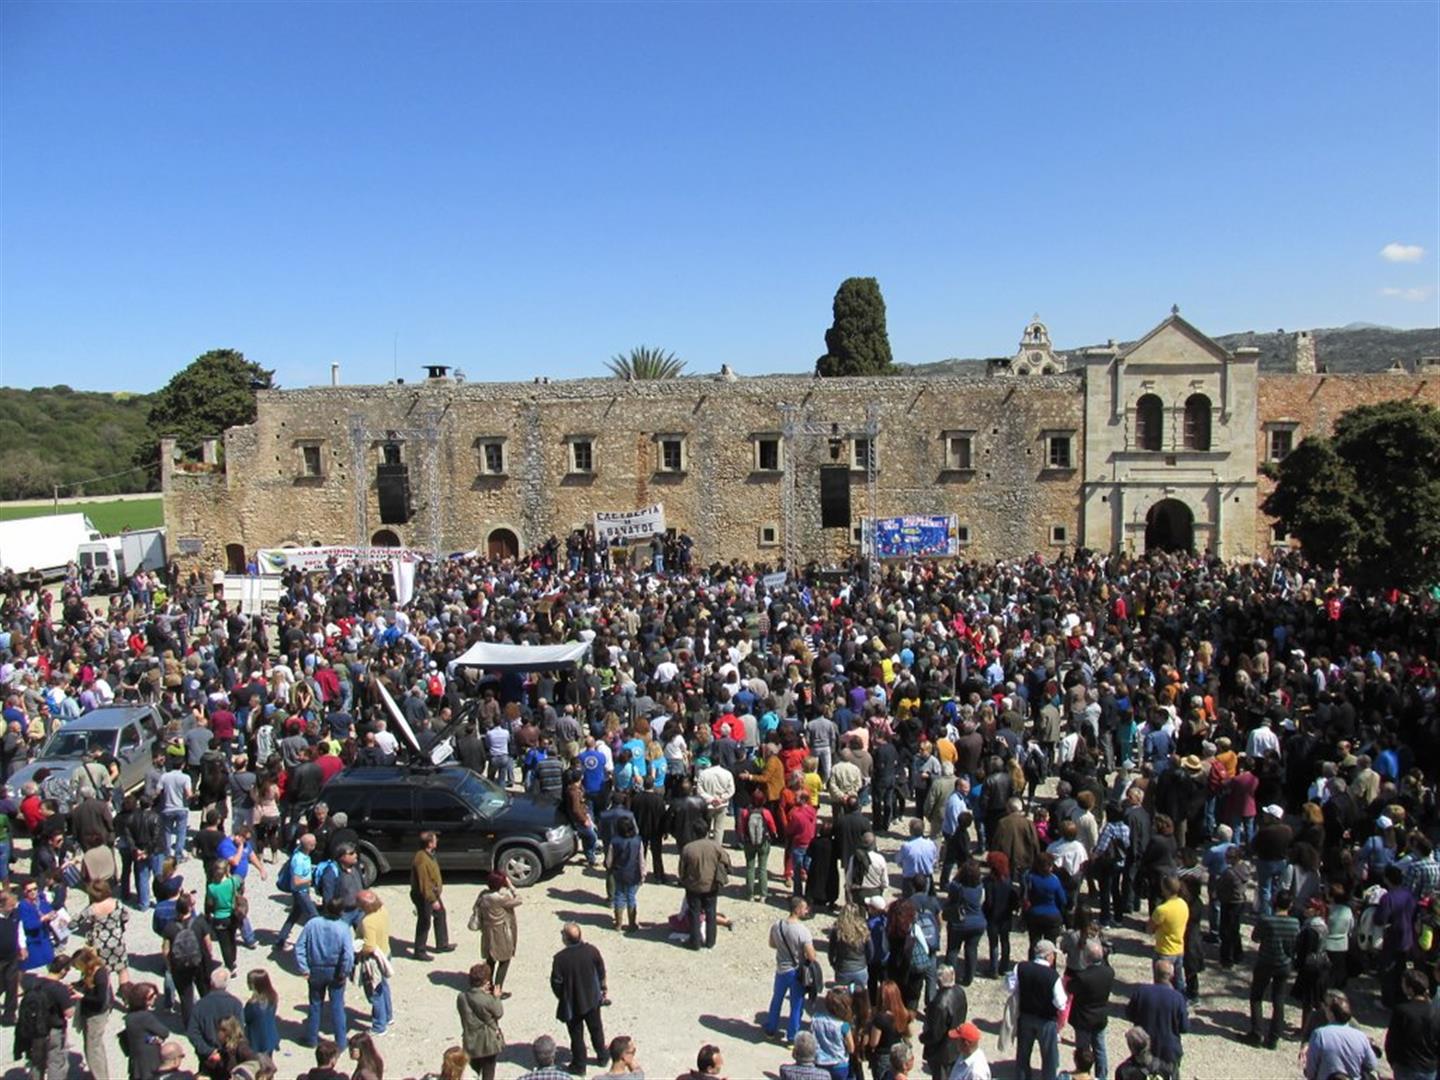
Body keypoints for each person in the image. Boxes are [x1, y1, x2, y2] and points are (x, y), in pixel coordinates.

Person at [295, 898, 356, 1051]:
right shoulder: (343, 928)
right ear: (341, 911)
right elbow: (348, 955)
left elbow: (299, 946)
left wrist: (304, 968)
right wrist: (345, 972)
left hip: (315, 969)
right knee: (337, 1006)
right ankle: (341, 1042)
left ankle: (311, 1038)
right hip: (335, 970)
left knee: (315, 1004)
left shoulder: (312, 924)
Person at [550, 922, 607, 1074]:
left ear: (566, 938)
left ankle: (579, 1065)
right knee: (596, 1029)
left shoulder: (560, 959)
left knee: (576, 1035)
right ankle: (602, 1057)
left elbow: (556, 983)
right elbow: (601, 971)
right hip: (592, 999)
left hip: (572, 1003)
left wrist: (563, 997)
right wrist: (602, 989)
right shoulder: (592, 951)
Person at [1244, 887, 1298, 1048]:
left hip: (1265, 962)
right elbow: (1294, 945)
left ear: (1275, 903)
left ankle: (1256, 1033)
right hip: (1284, 964)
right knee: (1279, 999)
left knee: (1257, 996)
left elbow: (1255, 937)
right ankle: (1274, 1037)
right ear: (1290, 905)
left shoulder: (1266, 920)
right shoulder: (1295, 923)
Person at [1007, 939, 1064, 1080]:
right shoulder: (1053, 976)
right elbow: (1060, 1003)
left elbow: (1010, 987)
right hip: (1046, 1021)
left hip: (1025, 1017)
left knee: (1023, 1055)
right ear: (1048, 956)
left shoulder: (1021, 967)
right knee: (1049, 1058)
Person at [765, 896, 816, 1046]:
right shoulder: (803, 931)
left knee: (776, 1000)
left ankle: (770, 1029)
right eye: (804, 908)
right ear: (798, 909)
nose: (806, 910)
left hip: (781, 969)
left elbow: (771, 944)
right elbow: (811, 956)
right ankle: (792, 1037)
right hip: (796, 971)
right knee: (796, 1005)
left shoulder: (777, 925)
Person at [15, 953, 74, 1080]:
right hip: (54, 1031)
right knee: (56, 1062)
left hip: (36, 1029)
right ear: (63, 970)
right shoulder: (60, 989)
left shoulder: (34, 983)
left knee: (37, 1063)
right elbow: (69, 1013)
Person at [1123, 960, 1187, 1074]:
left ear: (1154, 973)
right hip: (1168, 1050)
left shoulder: (1141, 992)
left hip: (1144, 1047)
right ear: (1171, 976)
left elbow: (1129, 1014)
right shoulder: (1178, 998)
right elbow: (1184, 1027)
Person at [1066, 940, 1115, 1080]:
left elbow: (1070, 988)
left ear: (1086, 958)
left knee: (1083, 1050)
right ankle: (1102, 1077)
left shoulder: (1082, 976)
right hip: (1100, 1017)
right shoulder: (1109, 972)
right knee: (1100, 1048)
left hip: (1083, 1018)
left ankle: (1083, 1075)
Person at [1303, 991, 1377, 1080]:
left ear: (1331, 1014)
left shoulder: (1319, 1035)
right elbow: (1372, 1064)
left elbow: (1310, 1071)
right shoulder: (1361, 1036)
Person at [185, 968, 244, 1080]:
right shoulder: (235, 1004)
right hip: (229, 1059)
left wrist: (208, 1051)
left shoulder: (200, 1005)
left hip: (207, 1059)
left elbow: (192, 1032)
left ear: (211, 983)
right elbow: (239, 1030)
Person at [679, 830, 731, 951]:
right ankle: (710, 941)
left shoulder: (688, 848)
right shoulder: (715, 846)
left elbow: (682, 869)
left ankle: (695, 942)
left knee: (694, 913)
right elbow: (726, 860)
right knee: (711, 912)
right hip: (711, 885)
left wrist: (684, 880)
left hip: (693, 886)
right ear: (706, 833)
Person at [471, 871, 521, 996]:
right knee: (505, 960)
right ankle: (497, 989)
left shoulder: (483, 895)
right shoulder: (501, 898)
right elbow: (519, 900)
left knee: (490, 960)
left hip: (487, 931)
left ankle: (487, 985)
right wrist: (511, 886)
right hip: (501, 932)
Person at [410, 832, 454, 960]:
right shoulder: (421, 859)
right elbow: (424, 882)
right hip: (424, 895)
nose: (437, 841)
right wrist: (432, 900)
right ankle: (419, 951)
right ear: (429, 843)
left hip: (432, 892)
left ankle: (442, 944)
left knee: (440, 914)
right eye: (435, 839)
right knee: (424, 921)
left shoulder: (429, 855)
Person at [355, 891, 393, 1038]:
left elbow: (370, 946)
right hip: (386, 952)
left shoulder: (368, 922)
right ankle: (388, 1016)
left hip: (375, 960)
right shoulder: (382, 909)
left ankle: (379, 1026)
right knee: (384, 986)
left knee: (375, 992)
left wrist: (358, 949)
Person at [457, 961, 504, 1080]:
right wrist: (496, 998)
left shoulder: (462, 997)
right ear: (486, 982)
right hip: (488, 1042)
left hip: (470, 1041)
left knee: (473, 1072)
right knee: (488, 1074)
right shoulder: (487, 1000)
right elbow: (499, 1013)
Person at [73, 946, 113, 1080]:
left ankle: (100, 1077)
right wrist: (76, 985)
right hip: (90, 1012)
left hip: (96, 1015)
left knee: (93, 1049)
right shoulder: (90, 971)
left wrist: (82, 996)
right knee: (92, 1046)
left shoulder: (99, 974)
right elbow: (85, 983)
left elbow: (100, 999)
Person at [919, 966, 967, 1080]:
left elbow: (935, 1034)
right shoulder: (960, 992)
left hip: (942, 1052)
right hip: (956, 1046)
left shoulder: (940, 1004)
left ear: (939, 981)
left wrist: (923, 1038)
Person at [276, 834, 319, 952]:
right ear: (309, 845)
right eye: (313, 842)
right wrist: (310, 880)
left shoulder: (303, 854)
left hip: (303, 891)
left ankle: (281, 939)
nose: (315, 844)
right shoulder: (299, 860)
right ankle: (311, 945)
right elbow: (296, 881)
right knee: (315, 918)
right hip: (300, 892)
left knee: (294, 915)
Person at [606, 817, 645, 933]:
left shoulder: (614, 841)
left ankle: (618, 924)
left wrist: (609, 867)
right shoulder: (638, 841)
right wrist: (643, 874)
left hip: (618, 872)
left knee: (619, 896)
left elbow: (609, 860)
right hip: (633, 873)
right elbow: (641, 860)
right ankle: (632, 924)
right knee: (631, 897)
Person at [242, 969, 280, 1063]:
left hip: (257, 1039)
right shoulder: (273, 996)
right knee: (268, 1062)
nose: (247, 984)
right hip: (270, 1035)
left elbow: (246, 1018)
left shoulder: (253, 1004)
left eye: (249, 982)